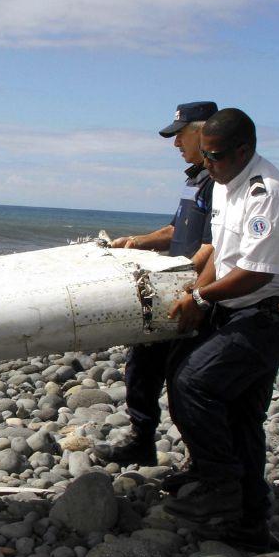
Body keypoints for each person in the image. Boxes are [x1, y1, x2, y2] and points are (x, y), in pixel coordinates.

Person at [163, 108, 279, 549]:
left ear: (244, 151)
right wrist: (200, 286)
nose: (206, 164)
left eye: (214, 156)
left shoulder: (266, 194)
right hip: (244, 309)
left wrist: (199, 298)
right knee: (238, 411)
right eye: (206, 156)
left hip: (274, 314)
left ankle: (219, 485)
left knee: (195, 383)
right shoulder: (225, 185)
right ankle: (247, 518)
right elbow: (223, 252)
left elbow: (256, 272)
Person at [103, 101, 219, 467]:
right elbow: (174, 232)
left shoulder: (220, 184)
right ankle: (142, 439)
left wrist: (190, 291)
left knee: (186, 380)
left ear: (203, 132)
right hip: (172, 289)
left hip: (194, 293)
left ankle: (202, 462)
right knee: (142, 366)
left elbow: (215, 246)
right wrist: (135, 241)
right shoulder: (194, 180)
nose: (175, 144)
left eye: (180, 135)